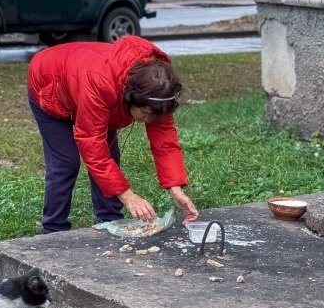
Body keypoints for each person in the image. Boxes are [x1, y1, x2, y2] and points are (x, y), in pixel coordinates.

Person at [27, 35, 199, 233]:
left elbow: (165, 143)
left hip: (86, 85)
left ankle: (109, 219)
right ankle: (53, 230)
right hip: (50, 84)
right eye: (145, 114)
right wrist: (129, 197)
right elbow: (92, 146)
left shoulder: (159, 91)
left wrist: (175, 189)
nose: (149, 121)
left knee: (110, 155)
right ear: (130, 98)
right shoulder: (100, 82)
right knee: (66, 162)